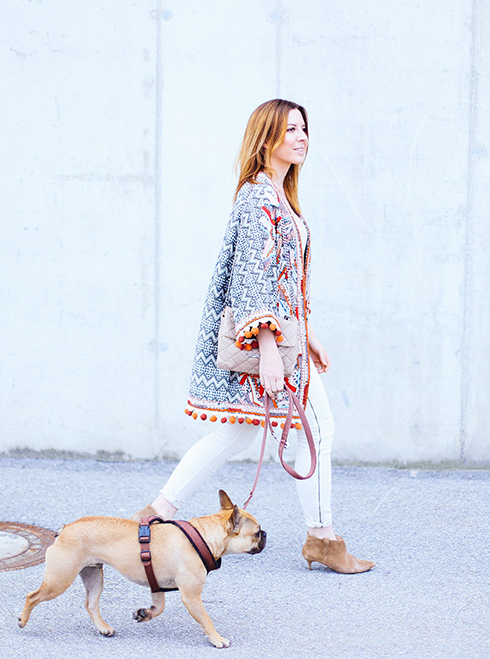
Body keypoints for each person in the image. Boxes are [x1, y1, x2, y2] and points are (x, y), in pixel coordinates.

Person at [133, 99, 373, 574]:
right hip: (266, 347)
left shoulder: (278, 197)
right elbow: (250, 284)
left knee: (236, 431)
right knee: (317, 431)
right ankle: (323, 539)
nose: (302, 137)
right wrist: (269, 354)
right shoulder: (258, 200)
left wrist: (307, 337)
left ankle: (156, 513)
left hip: (284, 343)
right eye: (290, 130)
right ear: (266, 139)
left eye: (304, 128)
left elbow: (282, 282)